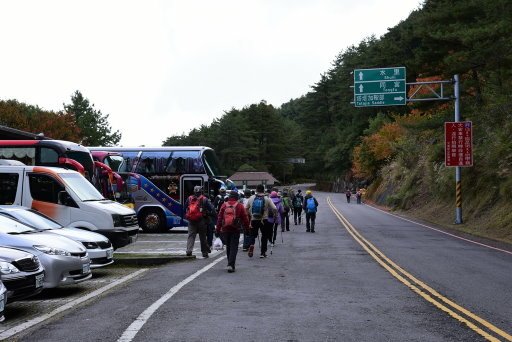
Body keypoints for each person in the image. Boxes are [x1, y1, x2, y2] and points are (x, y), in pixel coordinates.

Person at [216, 190, 250, 273]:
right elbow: (245, 218)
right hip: (235, 229)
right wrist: (247, 229)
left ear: (229, 197)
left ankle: (229, 263)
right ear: (237, 197)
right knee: (234, 247)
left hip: (225, 229)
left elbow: (220, 218)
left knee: (228, 246)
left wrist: (217, 229)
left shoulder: (224, 205)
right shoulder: (240, 206)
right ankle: (231, 265)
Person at [245, 184, 278, 258]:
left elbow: (246, 208)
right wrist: (275, 215)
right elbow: (274, 208)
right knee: (264, 236)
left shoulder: (251, 198)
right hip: (264, 220)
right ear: (263, 190)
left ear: (256, 190)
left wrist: (249, 214)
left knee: (252, 235)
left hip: (254, 219)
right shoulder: (267, 198)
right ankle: (263, 253)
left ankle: (251, 245)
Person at [185, 185, 214, 258]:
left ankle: (189, 250)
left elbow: (185, 208)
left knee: (191, 236)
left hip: (191, 220)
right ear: (201, 192)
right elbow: (211, 209)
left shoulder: (189, 198)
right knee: (202, 237)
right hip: (201, 220)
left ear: (194, 191)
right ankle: (204, 252)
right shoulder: (204, 199)